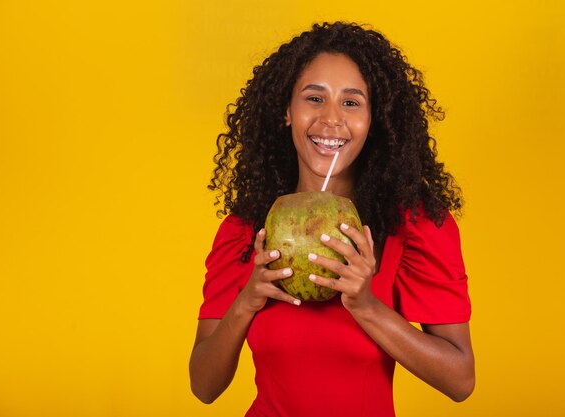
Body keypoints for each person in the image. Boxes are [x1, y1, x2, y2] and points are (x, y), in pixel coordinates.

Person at [189, 21, 475, 417]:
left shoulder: (414, 229)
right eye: (314, 98)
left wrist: (366, 305)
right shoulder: (246, 233)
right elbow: (203, 386)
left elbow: (460, 380)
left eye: (352, 102)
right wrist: (247, 300)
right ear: (287, 111)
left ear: (374, 120)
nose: (331, 119)